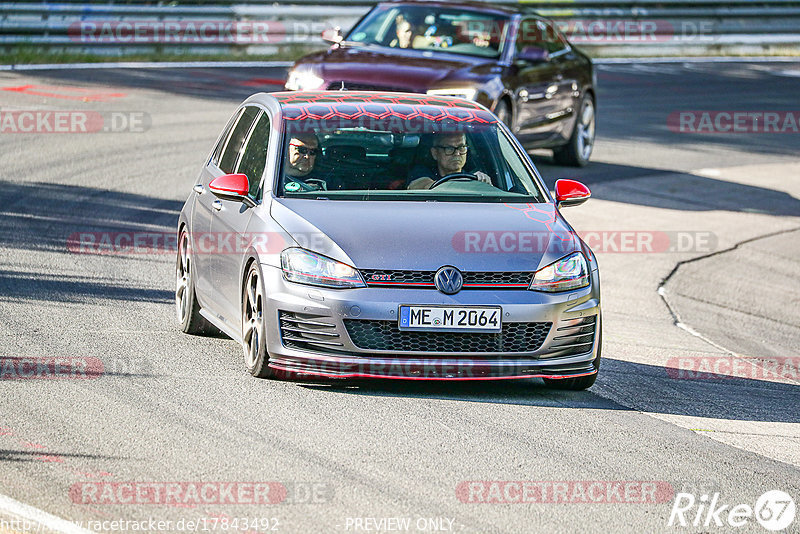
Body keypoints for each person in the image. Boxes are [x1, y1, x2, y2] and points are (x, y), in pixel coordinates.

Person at [407, 133, 492, 190]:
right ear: (435, 153)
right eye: (449, 148)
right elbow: (420, 186)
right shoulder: (421, 172)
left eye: (461, 147)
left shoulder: (472, 177)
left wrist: (483, 182)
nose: (457, 153)